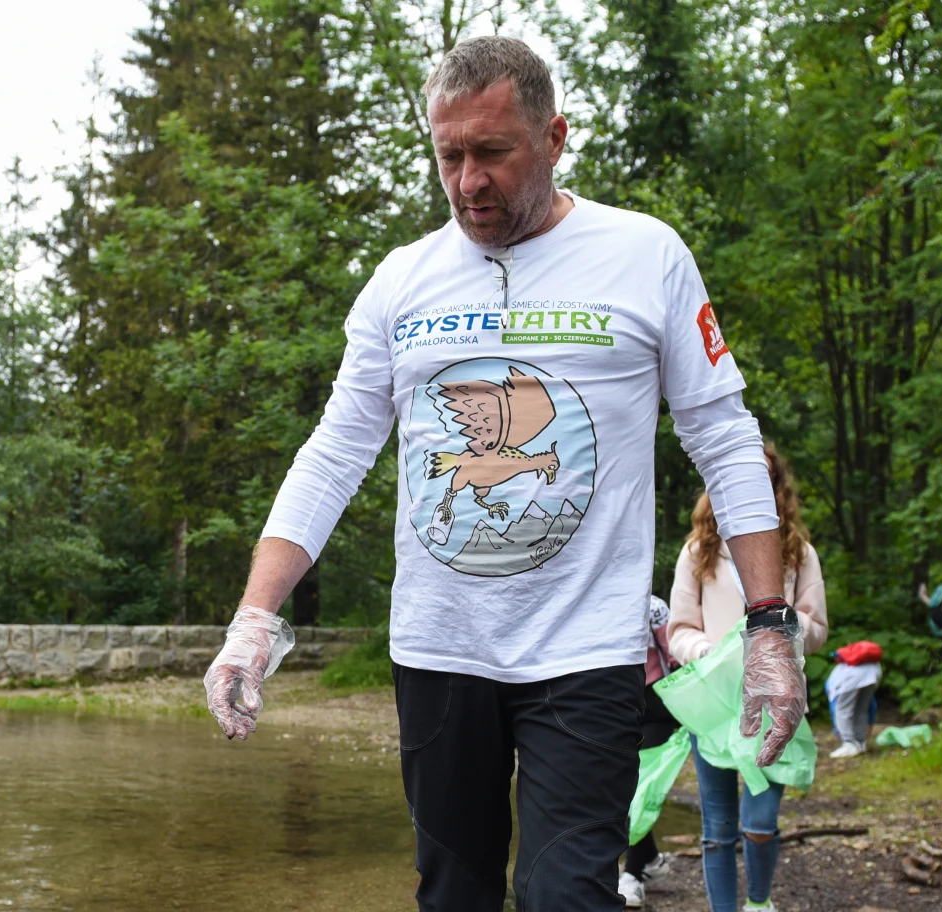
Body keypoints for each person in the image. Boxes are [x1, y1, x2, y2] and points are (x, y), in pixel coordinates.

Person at [201, 36, 809, 912]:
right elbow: (334, 454)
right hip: (440, 651)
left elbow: (723, 433)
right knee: (454, 895)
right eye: (448, 155)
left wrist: (770, 629)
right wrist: (254, 618)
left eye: (492, 152)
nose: (468, 182)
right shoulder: (399, 283)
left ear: (555, 137)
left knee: (568, 895)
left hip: (587, 651)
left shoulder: (646, 255)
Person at [667, 444, 827, 912]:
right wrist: (714, 653)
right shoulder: (698, 551)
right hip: (714, 703)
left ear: (777, 488)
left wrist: (781, 630)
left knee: (758, 824)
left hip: (776, 698)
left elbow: (816, 629)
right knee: (717, 831)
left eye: (766, 478)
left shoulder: (799, 553)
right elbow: (678, 630)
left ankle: (759, 902)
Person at [618, 595, 681, 908]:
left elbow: (675, 654)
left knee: (640, 788)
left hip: (655, 706)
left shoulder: (654, 607)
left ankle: (633, 875)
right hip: (613, 706)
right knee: (621, 788)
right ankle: (653, 859)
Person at [824, 640, 882, 759]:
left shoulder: (832, 685)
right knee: (862, 708)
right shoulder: (841, 671)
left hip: (853, 677)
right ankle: (861, 743)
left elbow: (836, 710)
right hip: (874, 671)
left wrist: (839, 732)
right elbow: (871, 707)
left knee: (842, 710)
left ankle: (849, 744)